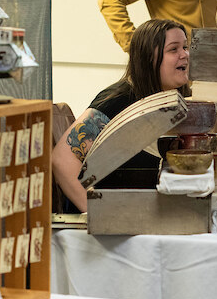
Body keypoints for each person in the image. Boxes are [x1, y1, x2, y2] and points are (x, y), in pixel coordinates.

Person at [53, 19, 190, 212]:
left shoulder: (173, 101)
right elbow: (62, 160)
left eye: (185, 47)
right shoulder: (117, 101)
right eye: (173, 49)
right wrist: (97, 214)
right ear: (148, 58)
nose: (185, 55)